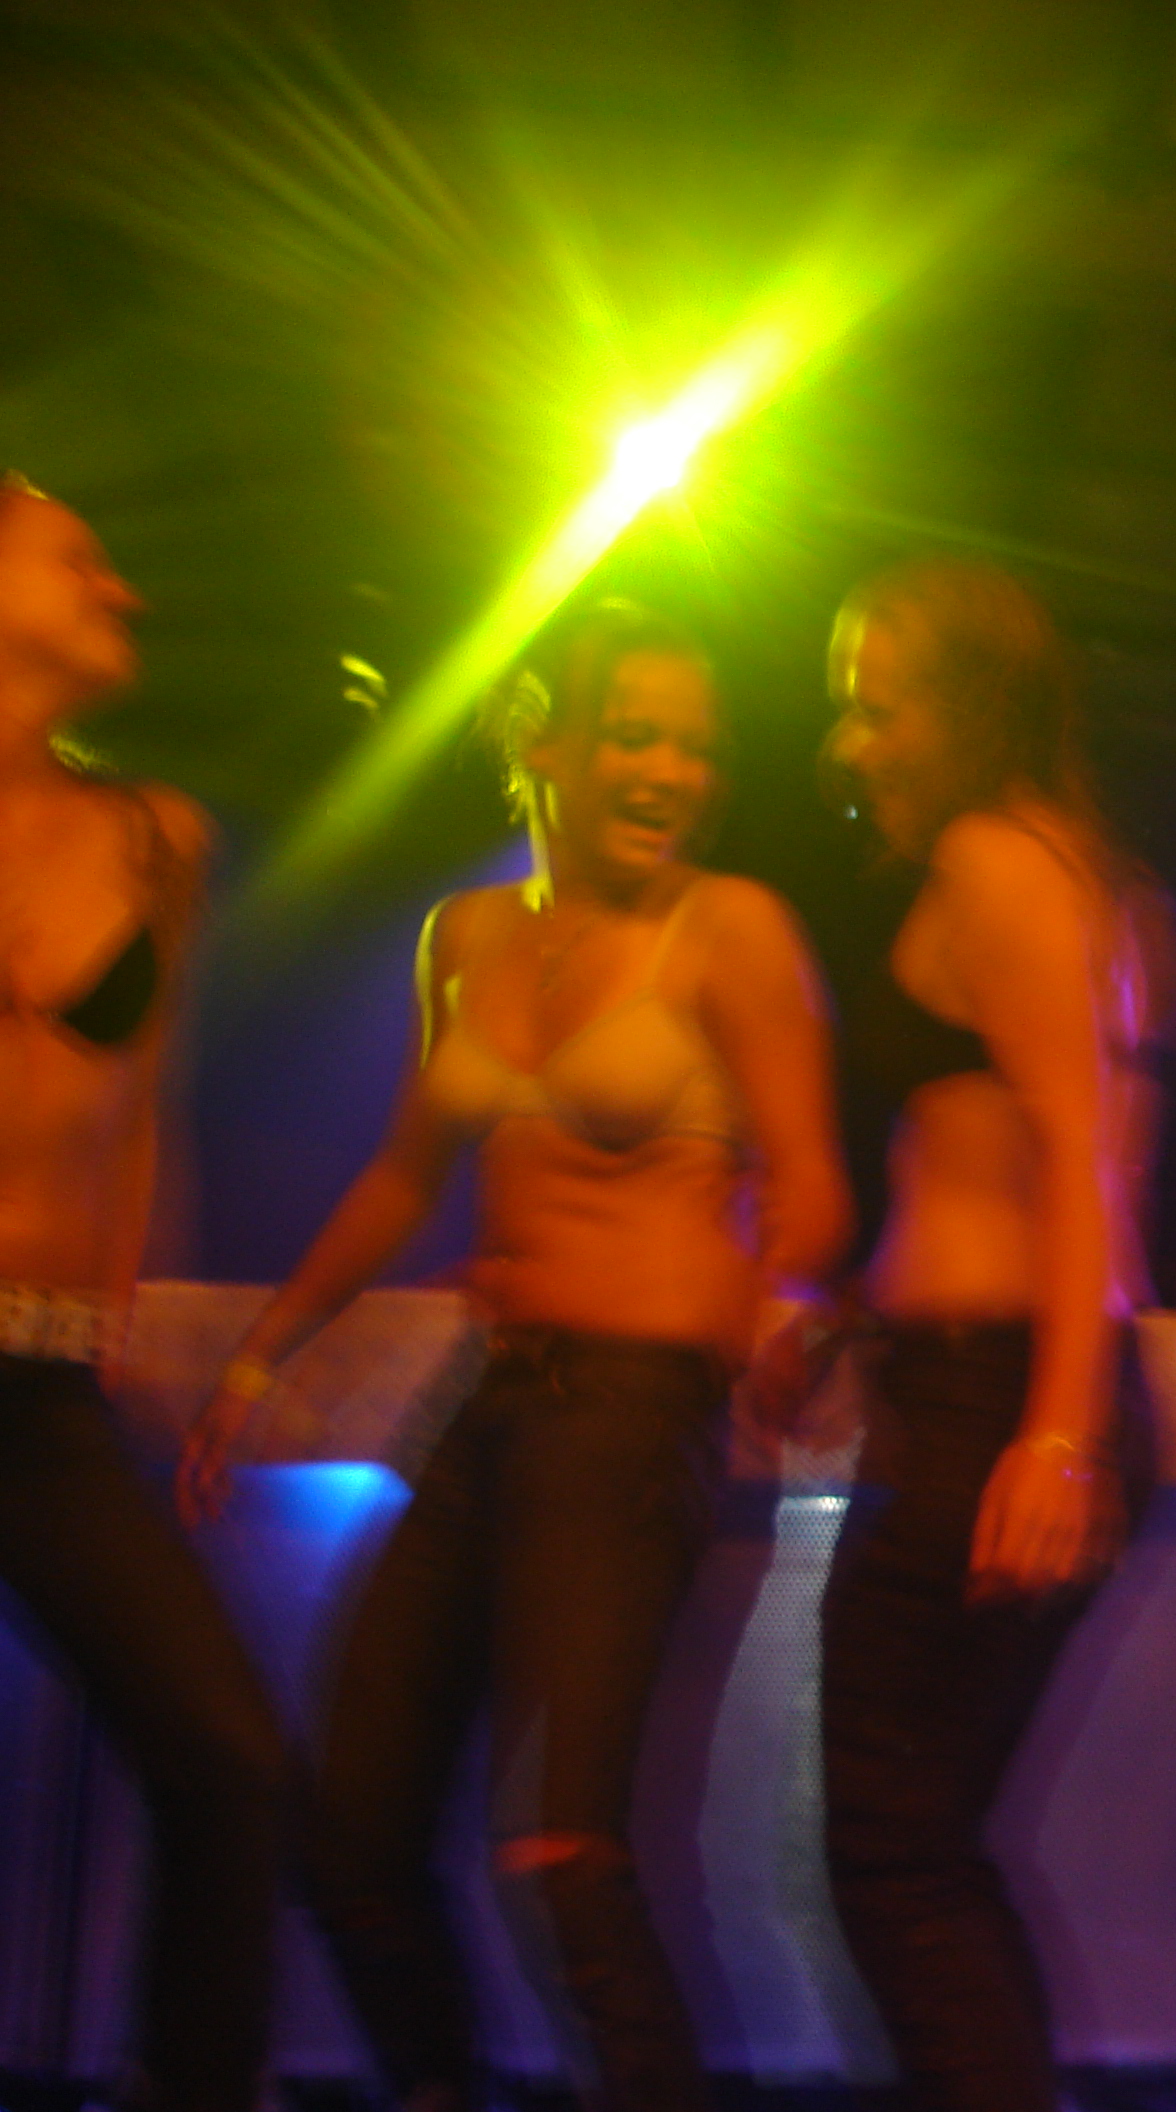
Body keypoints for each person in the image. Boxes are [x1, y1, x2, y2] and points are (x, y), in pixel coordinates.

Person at [181, 602, 850, 2112]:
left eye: (697, 747)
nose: (672, 773)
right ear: (542, 743)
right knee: (350, 1834)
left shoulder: (729, 926)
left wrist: (779, 1296)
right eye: (635, 735)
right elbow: (400, 1177)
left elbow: (811, 1177)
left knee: (556, 1847)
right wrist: (260, 1358)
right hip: (493, 1404)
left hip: (633, 1416)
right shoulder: (466, 937)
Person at [813, 554, 1170, 2112]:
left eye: (874, 707)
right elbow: (992, 1153)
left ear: (966, 706)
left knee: (894, 1851)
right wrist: (847, 1316)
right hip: (977, 1387)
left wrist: (1060, 1432)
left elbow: (1083, 1166)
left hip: (997, 1397)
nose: (847, 743)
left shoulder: (998, 859)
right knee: (921, 1849)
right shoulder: (1057, 863)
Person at [0, 473, 286, 2112]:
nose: (126, 594)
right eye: (81, 562)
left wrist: (122, 1320)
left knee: (229, 1761)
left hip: (42, 1394)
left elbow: (143, 1103)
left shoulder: (154, 834)